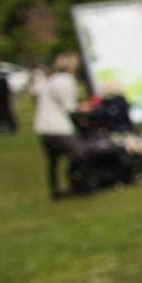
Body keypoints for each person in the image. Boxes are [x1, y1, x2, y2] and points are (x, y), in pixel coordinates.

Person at [32, 52, 81, 198]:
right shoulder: (65, 80)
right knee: (79, 155)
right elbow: (69, 106)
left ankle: (55, 190)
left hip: (43, 126)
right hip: (59, 127)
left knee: (53, 162)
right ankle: (78, 185)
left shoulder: (48, 79)